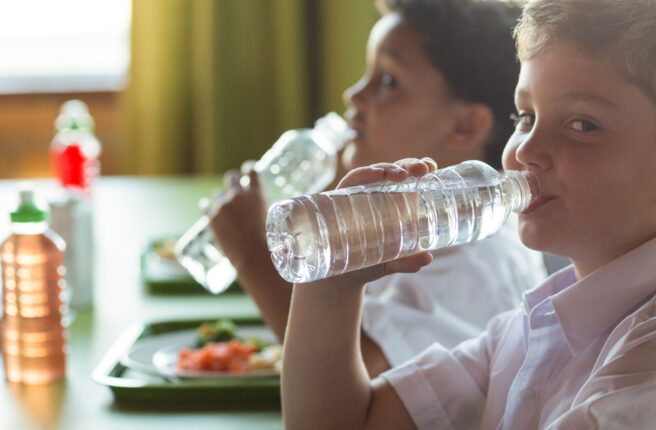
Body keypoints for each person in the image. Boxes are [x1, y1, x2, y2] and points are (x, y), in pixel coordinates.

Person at [279, 0, 656, 428]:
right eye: (526, 116)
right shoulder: (533, 327)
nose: (526, 150)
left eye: (583, 124)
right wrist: (333, 281)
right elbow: (352, 421)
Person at [208, 0, 546, 378]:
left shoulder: (476, 262)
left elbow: (358, 381)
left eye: (388, 81)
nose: (354, 96)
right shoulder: (407, 220)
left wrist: (253, 257)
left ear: (465, 126)